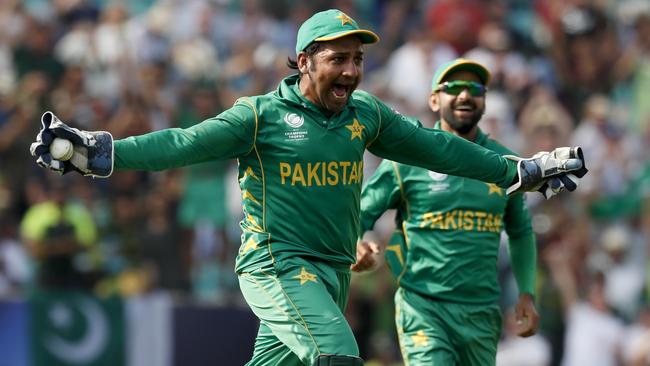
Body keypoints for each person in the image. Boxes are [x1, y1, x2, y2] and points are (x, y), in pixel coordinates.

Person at [29, 9, 585, 366]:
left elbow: (439, 148)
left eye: (358, 59)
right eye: (337, 59)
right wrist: (101, 153)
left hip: (330, 272)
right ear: (301, 62)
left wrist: (521, 169)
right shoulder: (259, 117)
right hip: (276, 264)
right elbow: (180, 143)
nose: (351, 71)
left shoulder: (365, 114)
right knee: (339, 354)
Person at [358, 59, 541, 365]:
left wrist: (526, 293)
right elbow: (362, 212)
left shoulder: (504, 162)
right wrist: (358, 242)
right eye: (453, 88)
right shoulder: (407, 158)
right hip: (423, 305)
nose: (465, 95)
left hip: (480, 311)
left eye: (475, 89)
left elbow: (521, 231)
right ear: (433, 100)